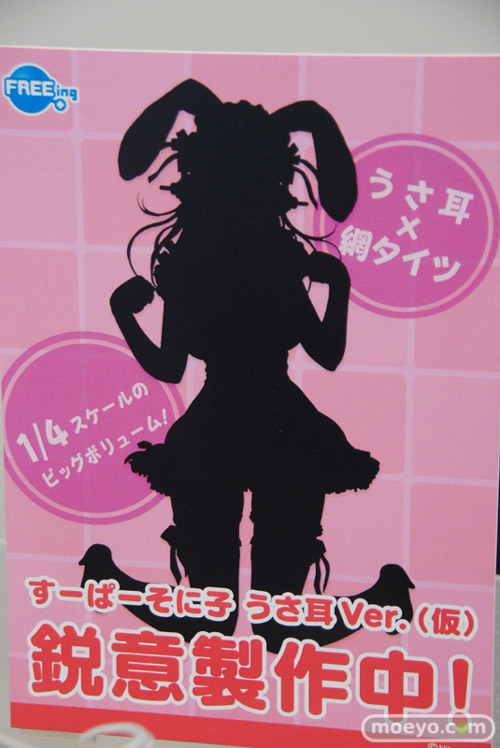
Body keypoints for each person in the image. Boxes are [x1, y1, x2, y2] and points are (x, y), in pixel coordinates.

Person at [80, 80, 413, 652]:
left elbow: (168, 365)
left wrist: (123, 313)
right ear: (276, 186)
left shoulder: (199, 267)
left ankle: (107, 581)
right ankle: (384, 600)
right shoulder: (268, 263)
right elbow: (326, 353)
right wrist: (337, 287)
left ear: (194, 180)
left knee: (225, 616)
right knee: (262, 620)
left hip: (222, 427)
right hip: (281, 425)